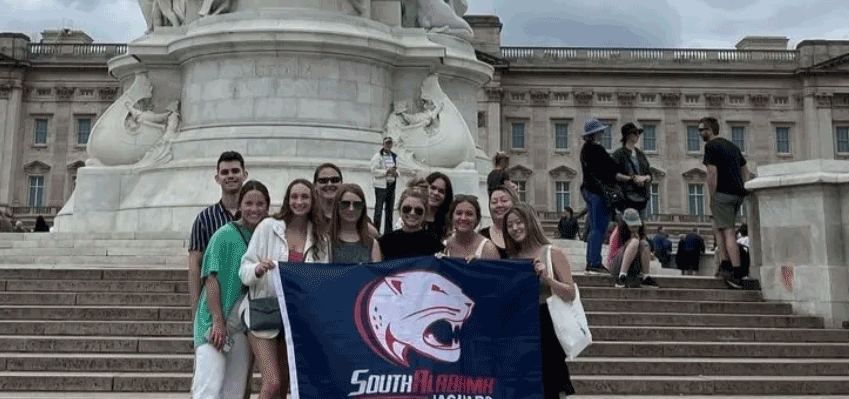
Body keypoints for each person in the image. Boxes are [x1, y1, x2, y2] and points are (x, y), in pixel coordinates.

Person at [239, 179, 329, 399]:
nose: (299, 202)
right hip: (264, 312)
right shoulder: (268, 227)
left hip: (295, 318)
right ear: (288, 200)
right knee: (271, 383)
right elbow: (244, 269)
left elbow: (322, 282)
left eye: (304, 197)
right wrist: (259, 269)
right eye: (294, 197)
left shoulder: (321, 238)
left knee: (283, 386)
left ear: (312, 200)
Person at [192, 180, 269, 399]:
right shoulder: (223, 235)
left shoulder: (265, 238)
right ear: (240, 205)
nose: (254, 209)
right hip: (216, 323)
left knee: (234, 390)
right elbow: (211, 278)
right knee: (208, 387)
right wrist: (217, 321)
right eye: (249, 203)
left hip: (243, 327)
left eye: (260, 204)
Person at [502, 203, 576, 399]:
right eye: (510, 225)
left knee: (551, 386)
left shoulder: (552, 253)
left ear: (530, 222)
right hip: (521, 329)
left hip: (547, 325)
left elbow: (571, 292)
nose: (515, 228)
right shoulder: (511, 258)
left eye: (519, 222)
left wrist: (548, 280)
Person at [189, 151, 248, 317]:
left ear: (245, 174)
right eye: (225, 172)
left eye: (235, 171)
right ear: (217, 178)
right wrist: (195, 310)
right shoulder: (204, 219)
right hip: (217, 302)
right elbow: (195, 265)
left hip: (249, 302)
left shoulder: (256, 216)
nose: (230, 176)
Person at [700, 116, 749, 288]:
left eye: (702, 130)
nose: (700, 133)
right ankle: (724, 264)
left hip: (723, 193)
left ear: (711, 129)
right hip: (738, 194)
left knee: (728, 231)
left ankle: (735, 271)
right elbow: (746, 172)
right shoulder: (734, 147)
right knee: (718, 226)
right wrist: (744, 190)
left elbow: (712, 173)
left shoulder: (711, 146)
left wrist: (712, 196)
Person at [580, 117, 631, 275]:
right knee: (599, 228)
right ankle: (594, 262)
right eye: (600, 131)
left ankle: (592, 261)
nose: (602, 133)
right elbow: (611, 169)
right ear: (596, 133)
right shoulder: (596, 150)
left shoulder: (585, 149)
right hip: (598, 193)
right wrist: (630, 178)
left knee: (595, 228)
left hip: (589, 190)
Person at [378, 188, 444, 260]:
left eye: (418, 210)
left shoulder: (434, 242)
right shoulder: (386, 241)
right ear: (400, 210)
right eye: (407, 209)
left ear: (425, 213)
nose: (412, 213)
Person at [329, 184, 382, 263]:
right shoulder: (325, 241)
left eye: (357, 204)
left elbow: (377, 274)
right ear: (337, 206)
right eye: (345, 204)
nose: (351, 209)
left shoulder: (373, 244)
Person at [611, 123, 653, 217]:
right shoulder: (619, 154)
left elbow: (649, 174)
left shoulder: (640, 154)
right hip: (625, 199)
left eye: (638, 133)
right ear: (628, 135)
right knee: (626, 226)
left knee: (640, 227)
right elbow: (614, 174)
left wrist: (644, 178)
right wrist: (632, 179)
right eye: (635, 133)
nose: (638, 135)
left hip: (642, 198)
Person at [608, 209, 657, 288]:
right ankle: (622, 276)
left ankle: (646, 277)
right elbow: (611, 254)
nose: (635, 228)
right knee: (634, 242)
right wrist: (630, 243)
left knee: (644, 244)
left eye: (637, 226)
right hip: (617, 266)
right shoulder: (618, 232)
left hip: (633, 266)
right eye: (633, 226)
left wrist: (649, 254)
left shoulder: (640, 233)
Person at [442, 195, 500, 260]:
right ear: (451, 217)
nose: (463, 218)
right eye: (459, 213)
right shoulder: (444, 246)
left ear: (477, 219)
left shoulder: (488, 248)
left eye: (469, 214)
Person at [479, 185, 518, 259]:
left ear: (514, 203)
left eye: (504, 201)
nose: (499, 205)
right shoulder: (481, 236)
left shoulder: (524, 233)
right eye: (494, 202)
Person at [370, 137, 398, 235]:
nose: (388, 145)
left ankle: (388, 232)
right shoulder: (377, 156)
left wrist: (396, 173)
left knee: (389, 211)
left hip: (391, 186)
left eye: (390, 143)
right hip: (381, 187)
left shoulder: (393, 156)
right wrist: (387, 171)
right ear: (383, 144)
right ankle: (376, 231)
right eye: (386, 143)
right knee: (378, 210)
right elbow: (374, 171)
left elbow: (397, 169)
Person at [424, 172, 454, 240]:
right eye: (433, 188)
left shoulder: (449, 226)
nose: (436, 193)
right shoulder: (411, 214)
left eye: (441, 191)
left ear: (446, 197)